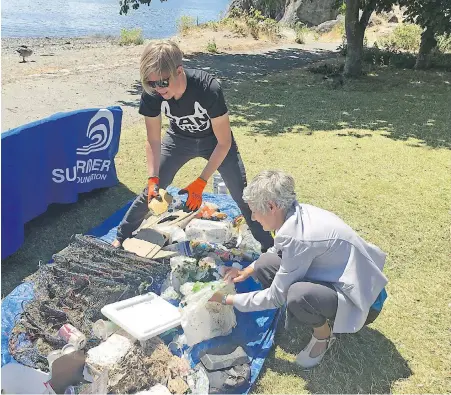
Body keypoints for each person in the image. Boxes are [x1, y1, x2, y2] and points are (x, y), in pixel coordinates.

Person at [210, 170, 388, 368]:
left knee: (297, 295)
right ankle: (305, 313)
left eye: (254, 211)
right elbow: (277, 250)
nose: (252, 217)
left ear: (271, 206)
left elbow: (274, 297)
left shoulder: (299, 236)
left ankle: (323, 335)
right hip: (343, 279)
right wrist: (247, 271)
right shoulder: (294, 213)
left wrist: (225, 299)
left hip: (364, 301)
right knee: (264, 263)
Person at [112, 40, 273, 250]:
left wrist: (201, 182)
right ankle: (121, 236)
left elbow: (224, 142)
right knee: (153, 191)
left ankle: (269, 246)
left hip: (214, 141)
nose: (158, 89)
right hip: (178, 140)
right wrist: (153, 178)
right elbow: (153, 140)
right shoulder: (153, 92)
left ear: (179, 71)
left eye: (162, 82)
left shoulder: (208, 88)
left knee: (241, 194)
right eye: (151, 83)